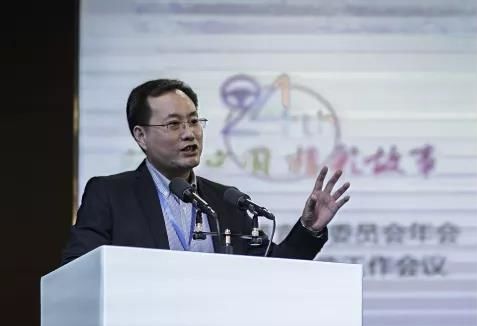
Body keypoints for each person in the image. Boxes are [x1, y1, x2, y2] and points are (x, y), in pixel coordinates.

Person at [61, 79, 350, 265]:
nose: (189, 133)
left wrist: (309, 229)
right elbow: (78, 268)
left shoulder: (227, 201)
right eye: (173, 124)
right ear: (141, 136)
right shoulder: (110, 195)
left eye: (194, 121)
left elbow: (274, 269)